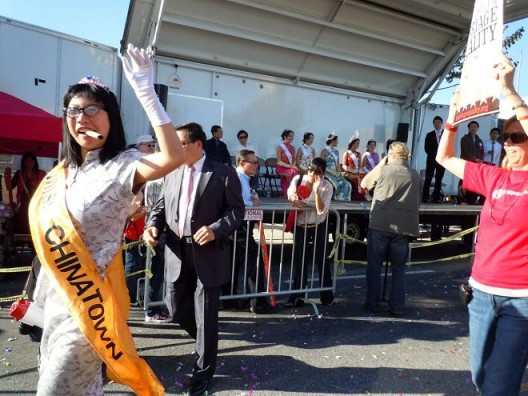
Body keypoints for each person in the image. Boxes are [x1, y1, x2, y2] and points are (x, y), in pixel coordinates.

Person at [28, 44, 184, 395]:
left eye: (92, 109)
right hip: (54, 302)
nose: (81, 117)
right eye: (73, 110)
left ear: (111, 115)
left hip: (88, 308)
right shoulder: (63, 172)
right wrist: (35, 302)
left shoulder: (125, 164)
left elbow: (173, 156)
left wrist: (145, 91)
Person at [435, 51, 528, 396]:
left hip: (521, 302)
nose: (509, 142)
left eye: (517, 137)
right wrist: (452, 119)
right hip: (481, 295)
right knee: (480, 378)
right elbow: (443, 157)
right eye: (506, 136)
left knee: (499, 388)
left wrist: (510, 92)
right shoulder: (493, 177)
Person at [144, 122, 244, 396]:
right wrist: (152, 226)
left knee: (206, 317)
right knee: (175, 308)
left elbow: (237, 211)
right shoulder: (173, 172)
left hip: (208, 253)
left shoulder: (223, 173)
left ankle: (203, 371)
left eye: (180, 144)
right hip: (177, 251)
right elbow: (160, 206)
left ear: (198, 144)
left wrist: (215, 230)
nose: (175, 150)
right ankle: (206, 341)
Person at [361, 141, 422, 317]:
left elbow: (365, 183)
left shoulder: (384, 170)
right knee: (399, 270)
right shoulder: (416, 176)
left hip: (380, 224)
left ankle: (372, 304)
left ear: (390, 154)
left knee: (374, 266)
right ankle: (397, 307)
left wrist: (381, 163)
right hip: (403, 228)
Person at [286, 157, 334, 307]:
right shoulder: (299, 179)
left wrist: (317, 192)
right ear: (309, 170)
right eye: (314, 172)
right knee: (300, 260)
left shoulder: (327, 186)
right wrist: (294, 199)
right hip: (301, 225)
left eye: (320, 173)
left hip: (319, 224)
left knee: (322, 259)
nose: (316, 176)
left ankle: (326, 295)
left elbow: (321, 209)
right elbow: (290, 194)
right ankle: (297, 296)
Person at [235, 149, 272, 314]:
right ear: (242, 163)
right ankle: (257, 301)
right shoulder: (238, 178)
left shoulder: (244, 178)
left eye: (257, 162)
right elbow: (242, 204)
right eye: (253, 162)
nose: (257, 165)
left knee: (237, 262)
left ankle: (235, 298)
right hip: (240, 226)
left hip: (241, 226)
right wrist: (254, 204)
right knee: (252, 261)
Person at [11, 152, 46, 234]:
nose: (29, 162)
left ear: (35, 162)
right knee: (22, 223)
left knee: (35, 225)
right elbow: (11, 186)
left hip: (37, 204)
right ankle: (21, 243)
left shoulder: (41, 174)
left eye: (31, 160)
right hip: (22, 204)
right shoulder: (19, 173)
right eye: (26, 160)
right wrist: (6, 176)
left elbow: (48, 187)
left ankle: (33, 244)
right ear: (23, 162)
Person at [459, 120, 484, 204]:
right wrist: (475, 159)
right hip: (466, 164)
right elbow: (465, 152)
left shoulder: (479, 140)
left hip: (475, 165)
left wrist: (480, 160)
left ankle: (471, 199)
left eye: (475, 127)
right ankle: (461, 198)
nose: (473, 128)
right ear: (469, 128)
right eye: (471, 127)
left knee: (474, 181)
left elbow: (481, 152)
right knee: (463, 181)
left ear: (477, 128)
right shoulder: (464, 139)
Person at [321, 133, 351, 201]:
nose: (337, 142)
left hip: (335, 172)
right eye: (336, 140)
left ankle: (342, 197)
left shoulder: (337, 151)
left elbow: (337, 164)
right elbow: (321, 164)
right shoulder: (324, 151)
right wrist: (329, 171)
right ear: (332, 141)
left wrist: (338, 172)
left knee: (346, 183)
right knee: (336, 182)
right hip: (327, 172)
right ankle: (336, 197)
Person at [423, 115, 446, 203]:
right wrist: (433, 155)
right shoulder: (429, 135)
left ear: (441, 123)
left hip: (442, 161)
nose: (437, 124)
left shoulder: (446, 134)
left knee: (438, 179)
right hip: (431, 160)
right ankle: (424, 197)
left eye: (438, 122)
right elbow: (426, 148)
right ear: (433, 124)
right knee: (428, 179)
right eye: (435, 123)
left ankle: (436, 198)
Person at [276, 129, 299, 197]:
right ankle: (289, 192)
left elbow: (294, 160)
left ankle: (292, 192)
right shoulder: (280, 147)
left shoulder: (293, 148)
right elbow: (279, 162)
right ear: (285, 137)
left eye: (292, 136)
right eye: (290, 136)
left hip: (289, 168)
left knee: (294, 171)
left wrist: (293, 164)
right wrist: (291, 166)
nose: (291, 138)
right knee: (291, 172)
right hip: (281, 168)